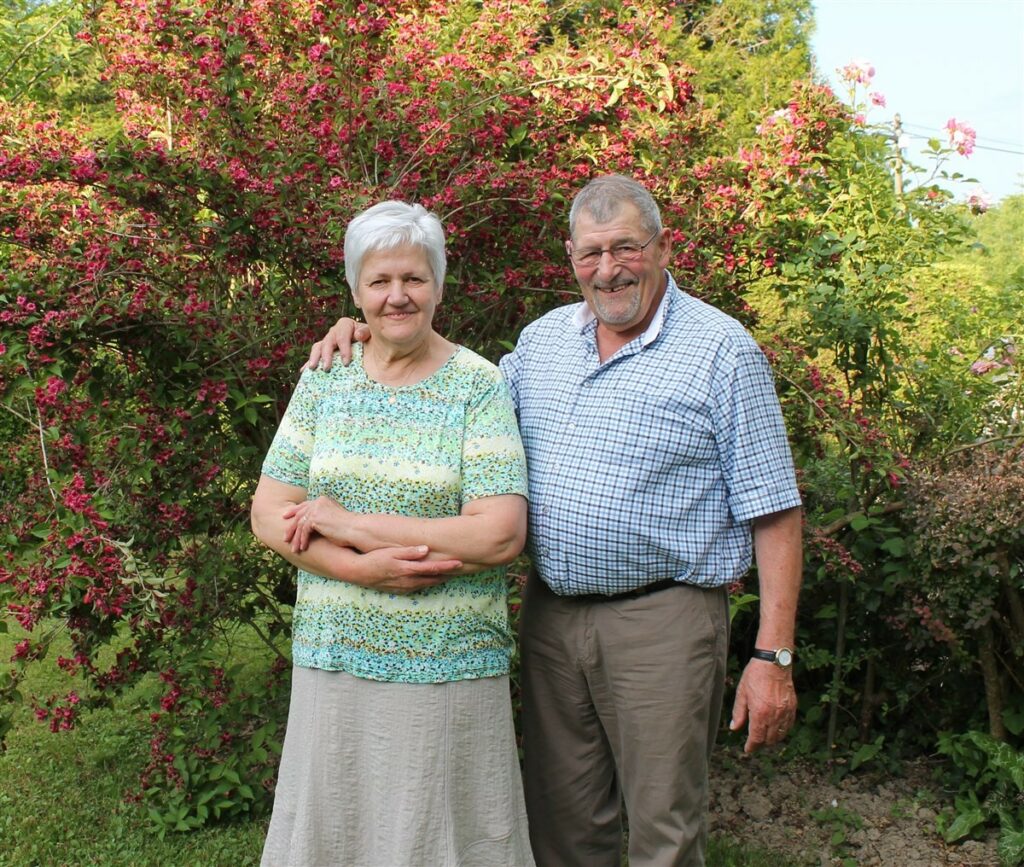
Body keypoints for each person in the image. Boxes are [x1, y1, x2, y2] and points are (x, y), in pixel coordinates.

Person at [307, 175, 803, 867]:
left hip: (662, 621)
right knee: (564, 827)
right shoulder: (540, 344)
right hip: (551, 618)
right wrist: (372, 328)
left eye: (626, 247)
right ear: (570, 255)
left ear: (662, 247)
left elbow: (774, 508)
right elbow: (446, 381)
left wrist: (771, 657)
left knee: (664, 828)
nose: (609, 269)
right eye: (591, 252)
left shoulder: (722, 351)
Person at [252, 200, 535, 867]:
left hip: (447, 663)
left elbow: (497, 534)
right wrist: (362, 569)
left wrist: (348, 524)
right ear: (356, 291)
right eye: (379, 281)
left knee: (440, 837)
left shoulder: (478, 387)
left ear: (438, 285)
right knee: (339, 828)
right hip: (333, 657)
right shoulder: (326, 378)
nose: (397, 295)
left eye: (413, 278)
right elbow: (269, 513)